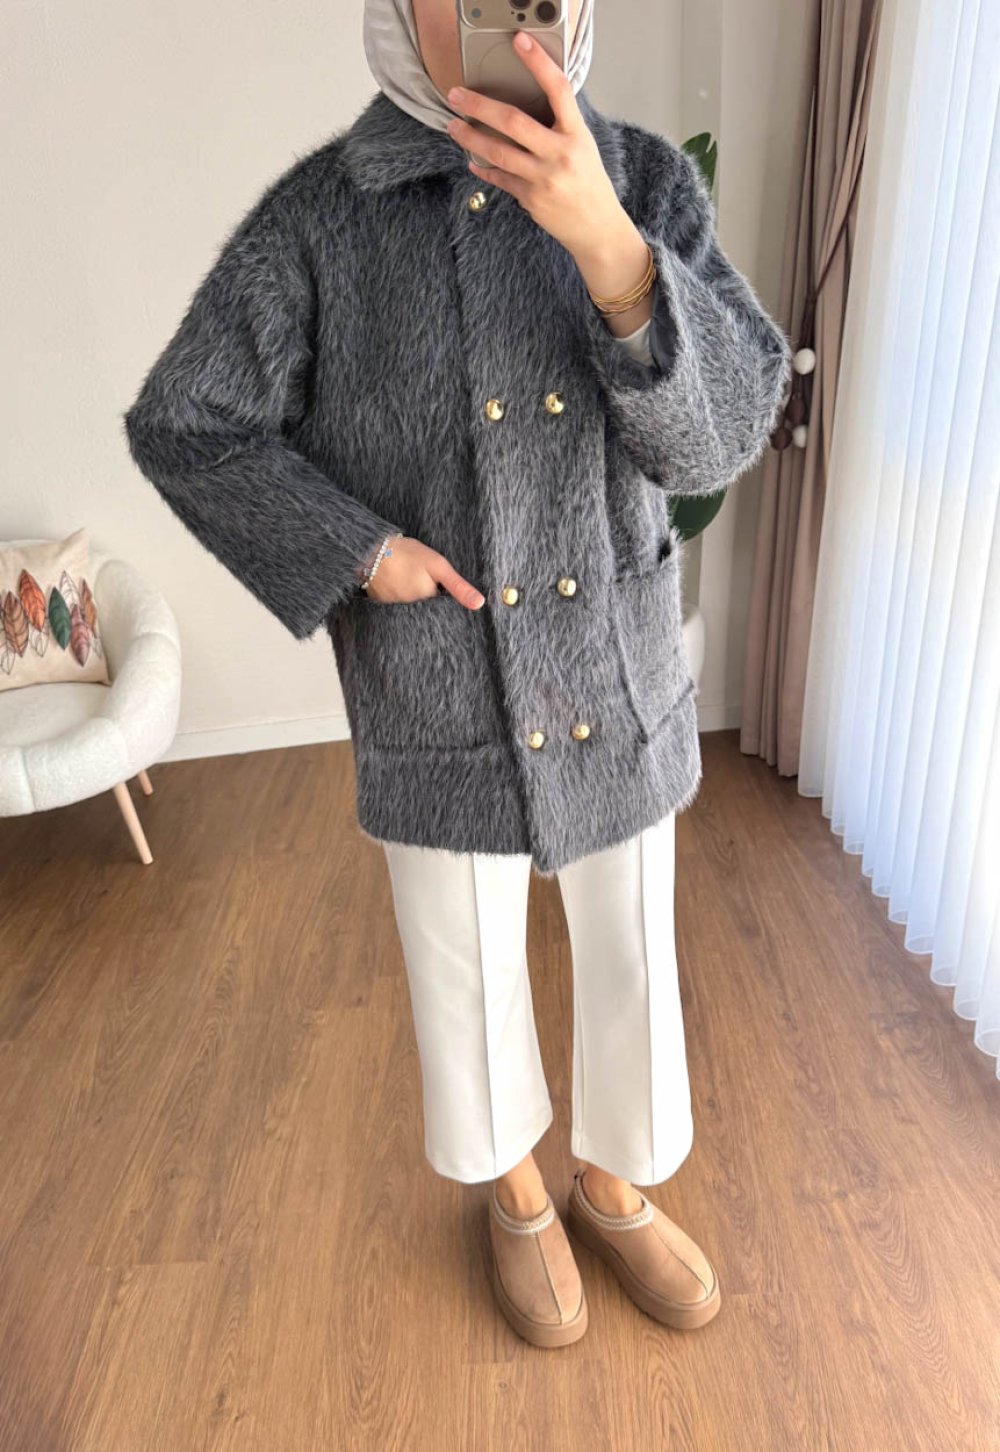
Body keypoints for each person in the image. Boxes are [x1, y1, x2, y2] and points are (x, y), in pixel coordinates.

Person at [123, 0, 792, 1349]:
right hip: (438, 669)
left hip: (616, 658)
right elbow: (186, 421)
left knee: (632, 944)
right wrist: (357, 553)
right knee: (464, 959)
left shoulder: (646, 181)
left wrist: (611, 249)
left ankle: (615, 1187)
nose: (502, 11)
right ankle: (517, 1197)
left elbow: (721, 437)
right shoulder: (324, 216)